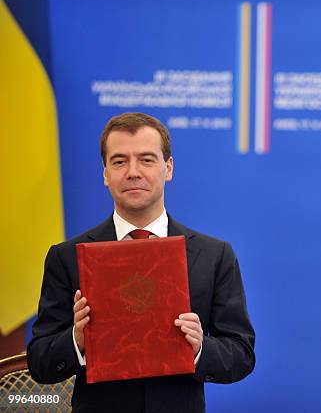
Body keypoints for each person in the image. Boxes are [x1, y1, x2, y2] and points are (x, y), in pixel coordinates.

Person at [27, 112, 255, 412]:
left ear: (168, 168)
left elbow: (241, 355)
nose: (133, 172)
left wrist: (200, 347)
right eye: (119, 161)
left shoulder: (214, 255)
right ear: (105, 173)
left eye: (147, 159)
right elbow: (40, 361)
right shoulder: (67, 256)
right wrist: (77, 339)